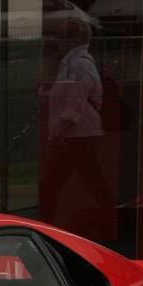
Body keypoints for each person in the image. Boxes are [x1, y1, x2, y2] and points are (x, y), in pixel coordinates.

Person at [42, 18, 110, 224]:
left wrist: (58, 133)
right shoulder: (74, 64)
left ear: (69, 39)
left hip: (76, 135)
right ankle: (112, 217)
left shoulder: (78, 65)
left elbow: (73, 106)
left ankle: (45, 225)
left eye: (58, 38)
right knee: (90, 181)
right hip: (77, 135)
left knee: (53, 184)